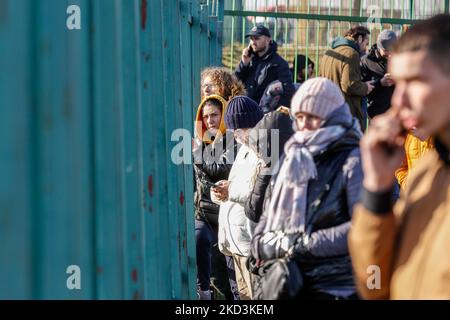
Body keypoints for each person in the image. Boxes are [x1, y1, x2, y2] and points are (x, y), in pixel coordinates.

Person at [348, 14, 450, 299]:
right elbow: (373, 285)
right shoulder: (429, 172)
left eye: (415, 81)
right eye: (398, 83)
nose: (398, 101)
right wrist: (377, 191)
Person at [251, 78, 363, 300]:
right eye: (299, 117)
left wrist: (301, 244)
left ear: (331, 116)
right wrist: (258, 244)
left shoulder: (355, 159)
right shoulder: (292, 155)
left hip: (336, 286)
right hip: (288, 280)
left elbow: (364, 228)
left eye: (312, 117)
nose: (303, 125)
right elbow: (270, 210)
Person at [212, 96, 264, 300]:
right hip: (235, 239)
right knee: (243, 296)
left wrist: (230, 192)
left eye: (237, 130)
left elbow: (259, 193)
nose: (235, 136)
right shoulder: (245, 148)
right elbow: (239, 184)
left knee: (255, 296)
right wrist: (220, 192)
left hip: (248, 240)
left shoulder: (263, 150)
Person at [192, 95, 236, 300]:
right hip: (204, 213)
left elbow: (221, 169)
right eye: (206, 116)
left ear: (223, 116)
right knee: (198, 237)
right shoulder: (201, 141)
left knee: (227, 277)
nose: (210, 120)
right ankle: (203, 292)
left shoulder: (232, 139)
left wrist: (198, 154)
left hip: (225, 214)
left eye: (215, 115)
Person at [320, 25, 375, 131]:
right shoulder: (352, 53)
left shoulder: (330, 52)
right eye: (366, 43)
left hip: (329, 108)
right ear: (359, 39)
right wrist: (365, 87)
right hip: (346, 110)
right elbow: (349, 85)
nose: (366, 48)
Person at [235, 25, 295, 109]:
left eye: (257, 38)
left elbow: (288, 91)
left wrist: (271, 111)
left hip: (266, 114)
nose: (253, 42)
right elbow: (235, 82)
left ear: (268, 40)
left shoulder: (279, 63)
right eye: (251, 39)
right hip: (246, 110)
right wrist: (244, 64)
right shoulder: (249, 59)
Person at [361, 30, 397, 119]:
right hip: (377, 114)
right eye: (386, 51)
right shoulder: (367, 61)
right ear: (379, 47)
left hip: (398, 114)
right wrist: (380, 83)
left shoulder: (400, 59)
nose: (389, 54)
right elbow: (361, 89)